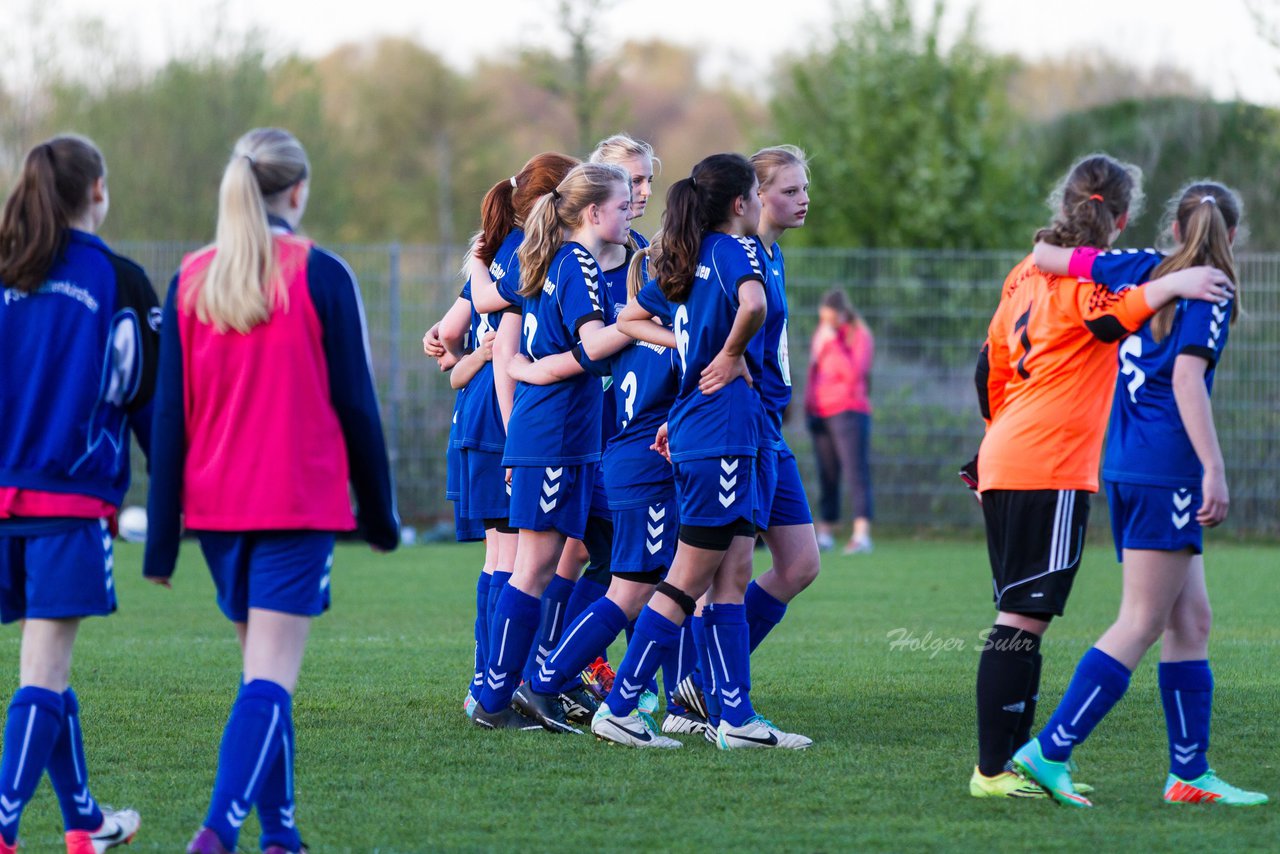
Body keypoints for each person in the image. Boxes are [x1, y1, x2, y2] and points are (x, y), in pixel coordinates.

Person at [144, 128, 400, 853]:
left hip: (218, 513)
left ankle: (282, 836)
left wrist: (163, 540)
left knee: (262, 675)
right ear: (298, 190)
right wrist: (379, 516)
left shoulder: (191, 277)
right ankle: (217, 833)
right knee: (271, 682)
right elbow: (358, 406)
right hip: (295, 507)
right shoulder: (320, 273)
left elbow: (169, 421)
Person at [969, 153, 1235, 799]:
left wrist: (990, 441)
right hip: (1051, 458)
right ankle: (1003, 769)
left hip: (1008, 447)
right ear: (1119, 217)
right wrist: (1173, 286)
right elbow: (1110, 317)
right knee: (1025, 621)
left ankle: (1171, 772)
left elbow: (990, 365)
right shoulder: (1107, 286)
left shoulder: (1023, 272)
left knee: (1039, 617)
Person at [596, 152, 809, 750]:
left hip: (718, 429)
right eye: (787, 189)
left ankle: (733, 718)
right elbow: (753, 307)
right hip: (722, 431)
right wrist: (730, 354)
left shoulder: (695, 256)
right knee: (691, 577)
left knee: (732, 574)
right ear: (744, 201)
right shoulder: (734, 249)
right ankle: (623, 707)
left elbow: (637, 317)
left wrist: (701, 360)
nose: (801, 198)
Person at [0, 134, 150, 854]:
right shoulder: (118, 278)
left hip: (6, 501)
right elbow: (151, 406)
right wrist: (184, 502)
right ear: (97, 191)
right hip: (67, 504)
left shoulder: (6, 270)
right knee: (44, 670)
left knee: (46, 671)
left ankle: (85, 822)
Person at [470, 162, 636, 732]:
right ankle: (496, 699)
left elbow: (522, 347)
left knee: (589, 552)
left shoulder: (559, 259)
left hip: (571, 434)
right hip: (554, 434)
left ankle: (544, 680)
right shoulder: (578, 263)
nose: (632, 210)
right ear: (593, 213)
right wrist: (650, 327)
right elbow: (591, 346)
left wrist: (528, 367)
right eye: (623, 202)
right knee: (534, 566)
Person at [805, 289, 875, 554]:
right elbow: (814, 376)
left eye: (831, 320)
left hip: (849, 411)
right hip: (820, 413)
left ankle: (862, 534)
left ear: (842, 315)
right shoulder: (821, 336)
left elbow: (853, 374)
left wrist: (833, 343)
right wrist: (808, 406)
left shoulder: (859, 336)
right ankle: (826, 532)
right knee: (827, 474)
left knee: (856, 472)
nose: (826, 325)